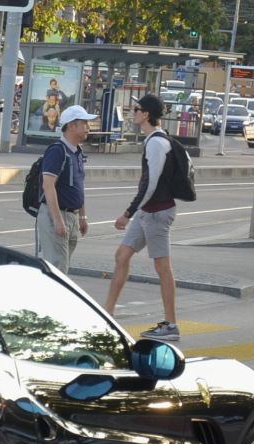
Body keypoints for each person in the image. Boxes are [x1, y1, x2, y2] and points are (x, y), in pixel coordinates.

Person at [103, 94, 182, 342]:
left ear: (146, 114)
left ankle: (171, 324)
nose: (133, 112)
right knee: (122, 255)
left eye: (136, 109)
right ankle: (108, 313)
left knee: (162, 267)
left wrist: (128, 213)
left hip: (157, 212)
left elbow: (150, 184)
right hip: (147, 211)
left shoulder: (157, 143)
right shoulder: (153, 140)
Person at [36, 104, 94, 274]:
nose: (88, 128)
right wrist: (57, 220)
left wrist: (82, 216)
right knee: (57, 268)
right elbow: (48, 185)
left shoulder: (77, 152)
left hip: (72, 216)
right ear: (71, 126)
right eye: (84, 123)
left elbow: (79, 185)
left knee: (61, 266)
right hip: (56, 215)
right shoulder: (57, 151)